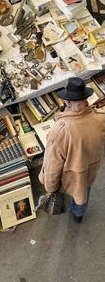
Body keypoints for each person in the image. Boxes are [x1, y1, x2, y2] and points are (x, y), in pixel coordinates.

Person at [39, 77, 105, 223]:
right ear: (86, 98)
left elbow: (52, 166)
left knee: (60, 192)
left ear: (66, 101)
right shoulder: (100, 118)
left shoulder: (60, 131)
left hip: (68, 177)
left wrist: (51, 188)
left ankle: (63, 204)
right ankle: (78, 215)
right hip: (89, 171)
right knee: (82, 195)